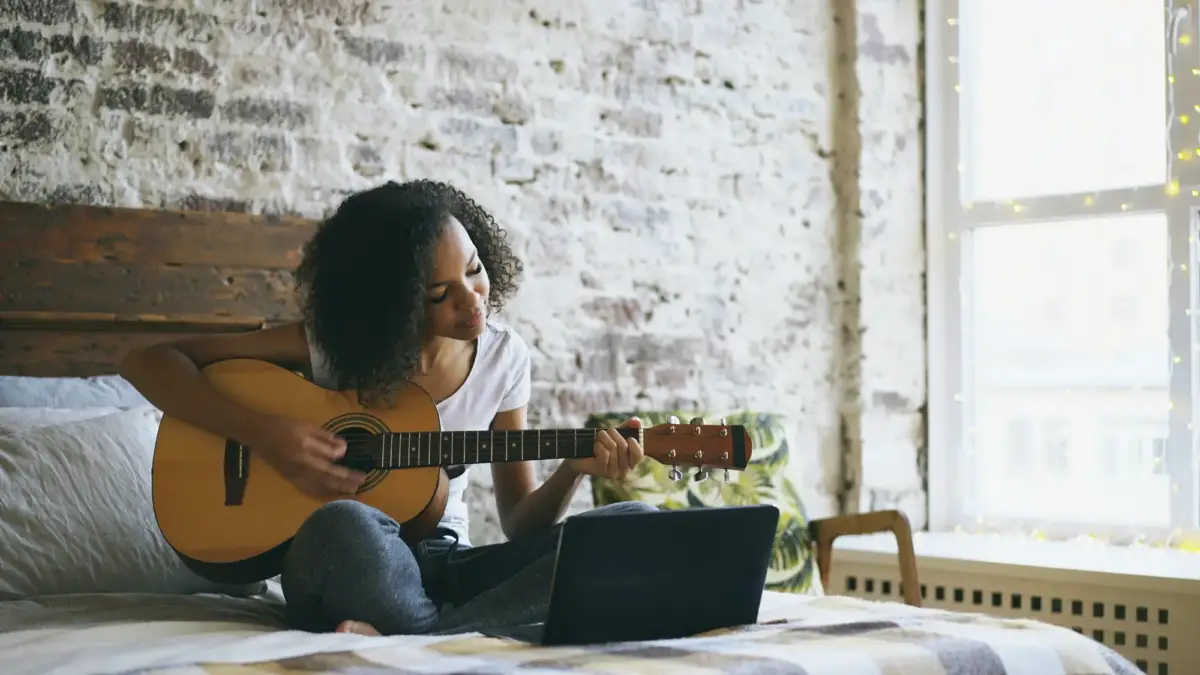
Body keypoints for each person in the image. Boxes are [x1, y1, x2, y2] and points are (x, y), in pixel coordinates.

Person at [119, 179, 655, 636]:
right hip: (352, 562)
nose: (471, 299)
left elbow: (520, 526)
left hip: (447, 564)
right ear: (391, 300)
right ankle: (463, 630)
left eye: (473, 270)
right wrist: (266, 436)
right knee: (345, 524)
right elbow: (149, 361)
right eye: (438, 293)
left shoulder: (502, 358)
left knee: (636, 525)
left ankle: (418, 634)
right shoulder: (338, 352)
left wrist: (571, 472)